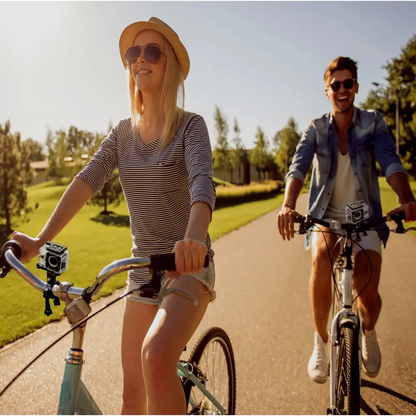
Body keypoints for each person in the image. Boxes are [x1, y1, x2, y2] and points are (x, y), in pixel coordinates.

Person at [12, 17, 216, 415]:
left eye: (151, 51)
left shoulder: (191, 126)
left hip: (188, 268)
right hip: (141, 272)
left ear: (169, 63)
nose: (140, 59)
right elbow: (87, 181)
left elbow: (202, 184)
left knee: (156, 357)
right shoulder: (122, 134)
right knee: (131, 395)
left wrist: (193, 238)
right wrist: (38, 240)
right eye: (132, 53)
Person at [276, 56, 416, 384]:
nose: (342, 89)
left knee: (368, 296)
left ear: (355, 87)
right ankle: (321, 343)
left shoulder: (374, 123)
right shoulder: (316, 128)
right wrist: (287, 204)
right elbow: (297, 167)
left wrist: (407, 198)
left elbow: (389, 160)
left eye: (347, 83)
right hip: (327, 215)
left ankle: (368, 331)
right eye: (335, 84)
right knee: (321, 261)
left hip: (364, 215)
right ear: (327, 91)